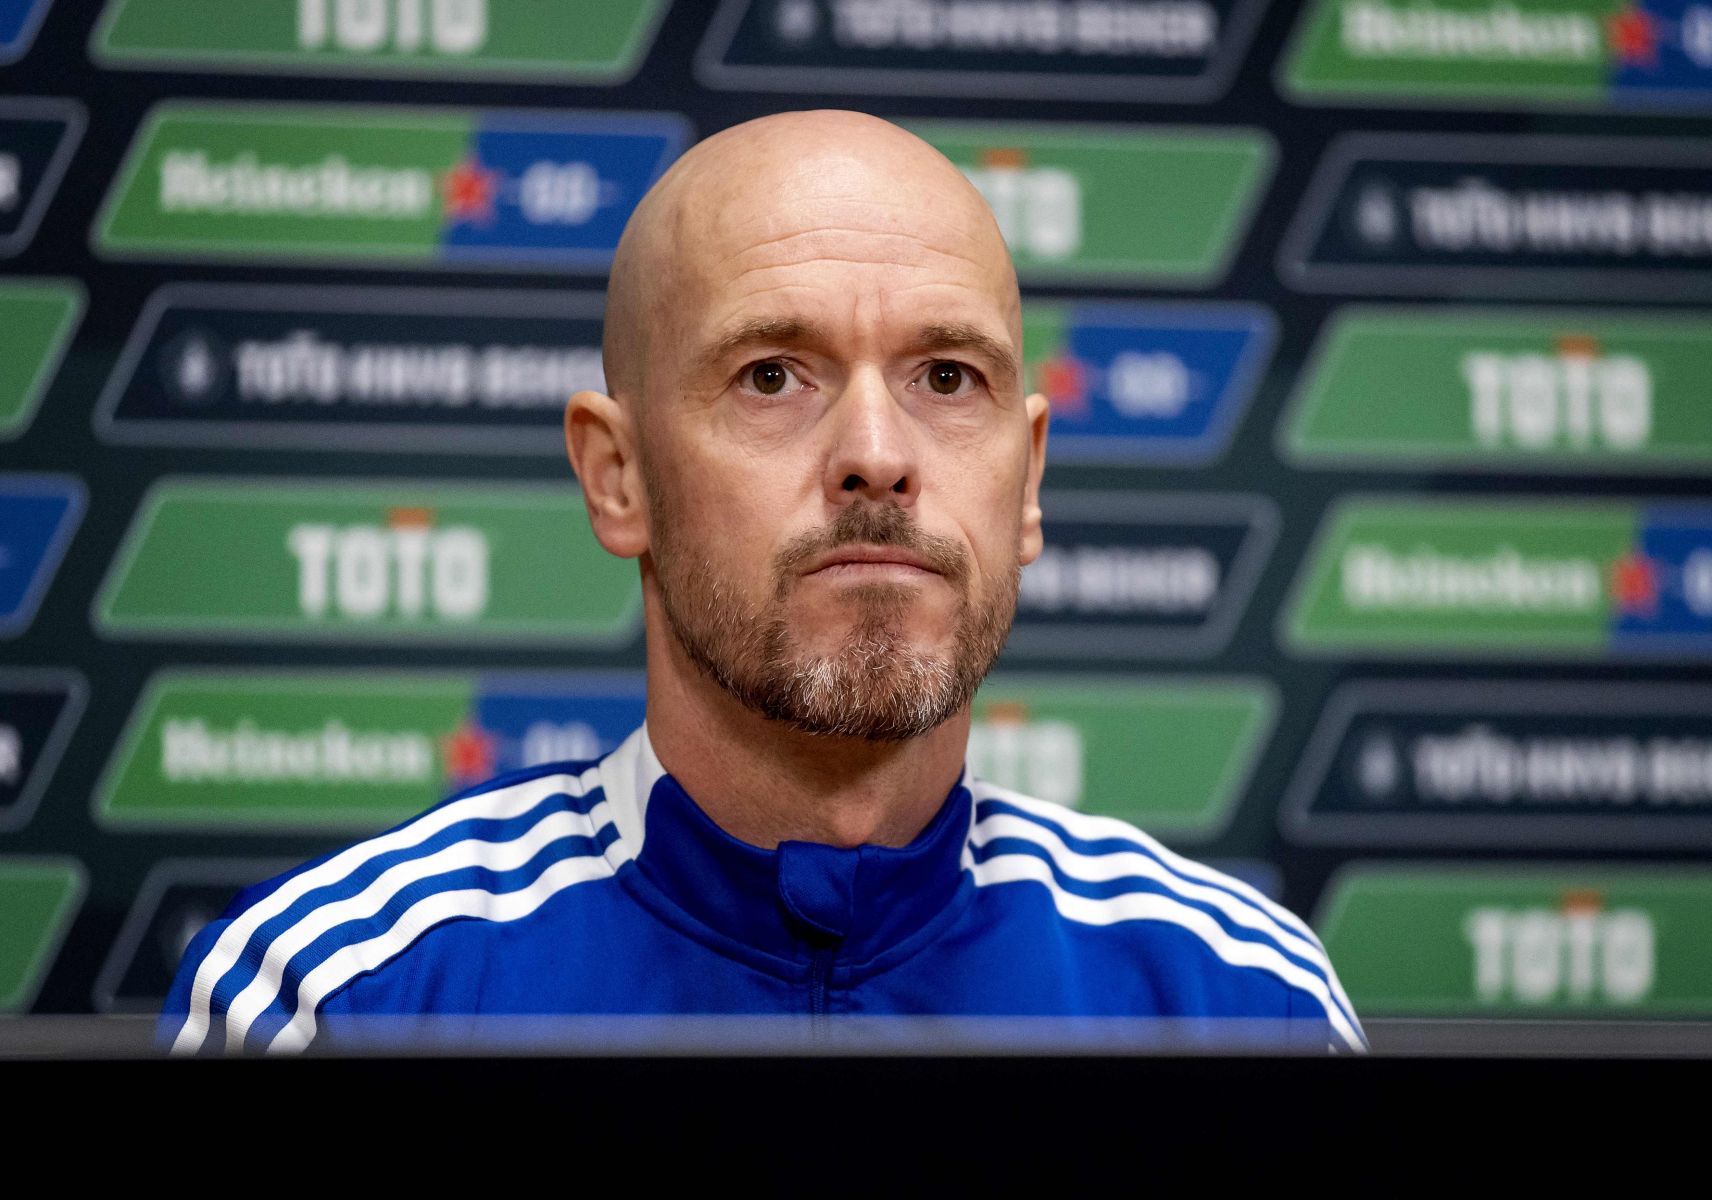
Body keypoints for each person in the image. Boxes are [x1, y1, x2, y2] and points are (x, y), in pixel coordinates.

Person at [163, 111, 1364, 1055]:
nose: (877, 456)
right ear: (617, 476)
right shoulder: (337, 1000)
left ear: (1027, 481)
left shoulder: (1240, 1002)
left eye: (947, 378)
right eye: (773, 375)